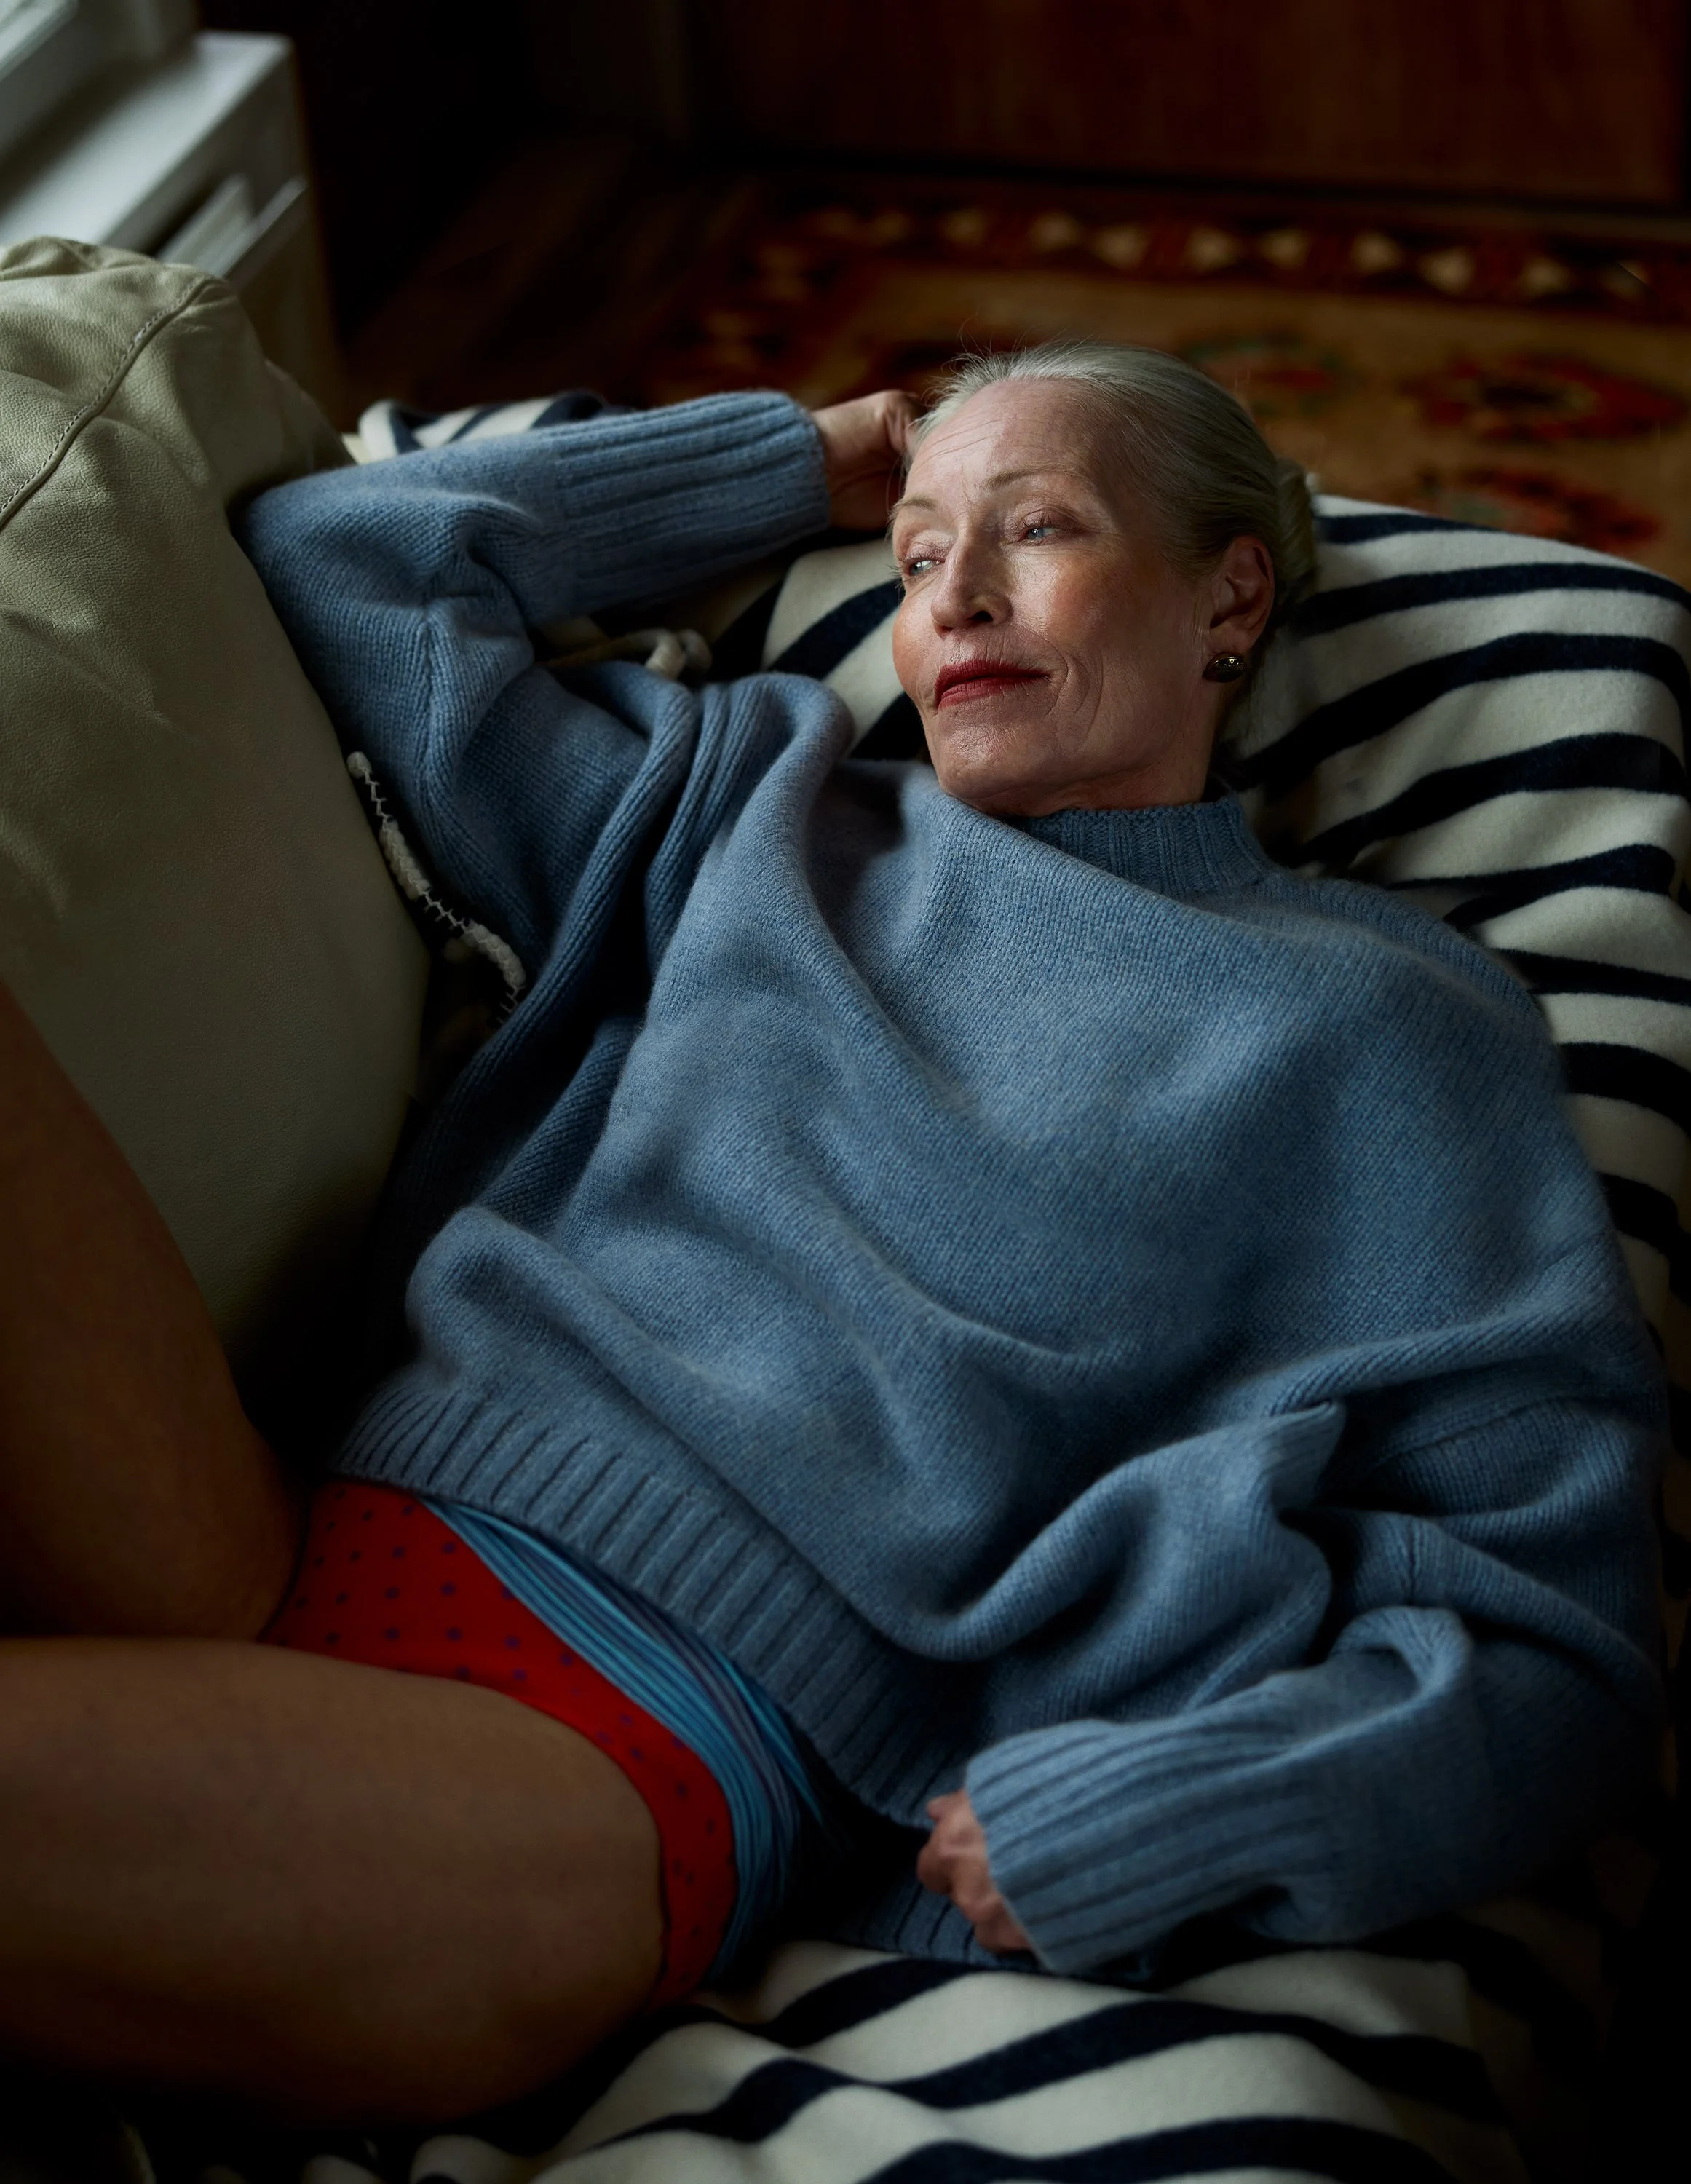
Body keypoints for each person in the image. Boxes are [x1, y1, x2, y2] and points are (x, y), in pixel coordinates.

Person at [0, 342, 1663, 2126]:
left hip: (602, 1770)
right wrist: (814, 460)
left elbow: (1544, 1620)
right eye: (922, 550)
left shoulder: (1381, 1031)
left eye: (1037, 529)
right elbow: (356, 554)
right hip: (281, 1537)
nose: (956, 595)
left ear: (1230, 596)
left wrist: (1184, 1805)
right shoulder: (755, 805)